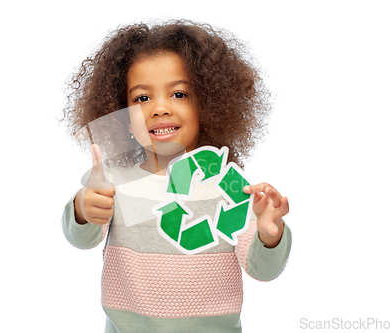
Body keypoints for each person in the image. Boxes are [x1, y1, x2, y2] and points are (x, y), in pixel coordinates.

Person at [61, 19, 292, 333]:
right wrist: (83, 209)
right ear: (125, 117)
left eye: (179, 94)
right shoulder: (116, 183)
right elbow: (81, 239)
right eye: (142, 98)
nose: (159, 108)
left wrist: (270, 233)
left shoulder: (231, 186)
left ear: (209, 103)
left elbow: (263, 270)